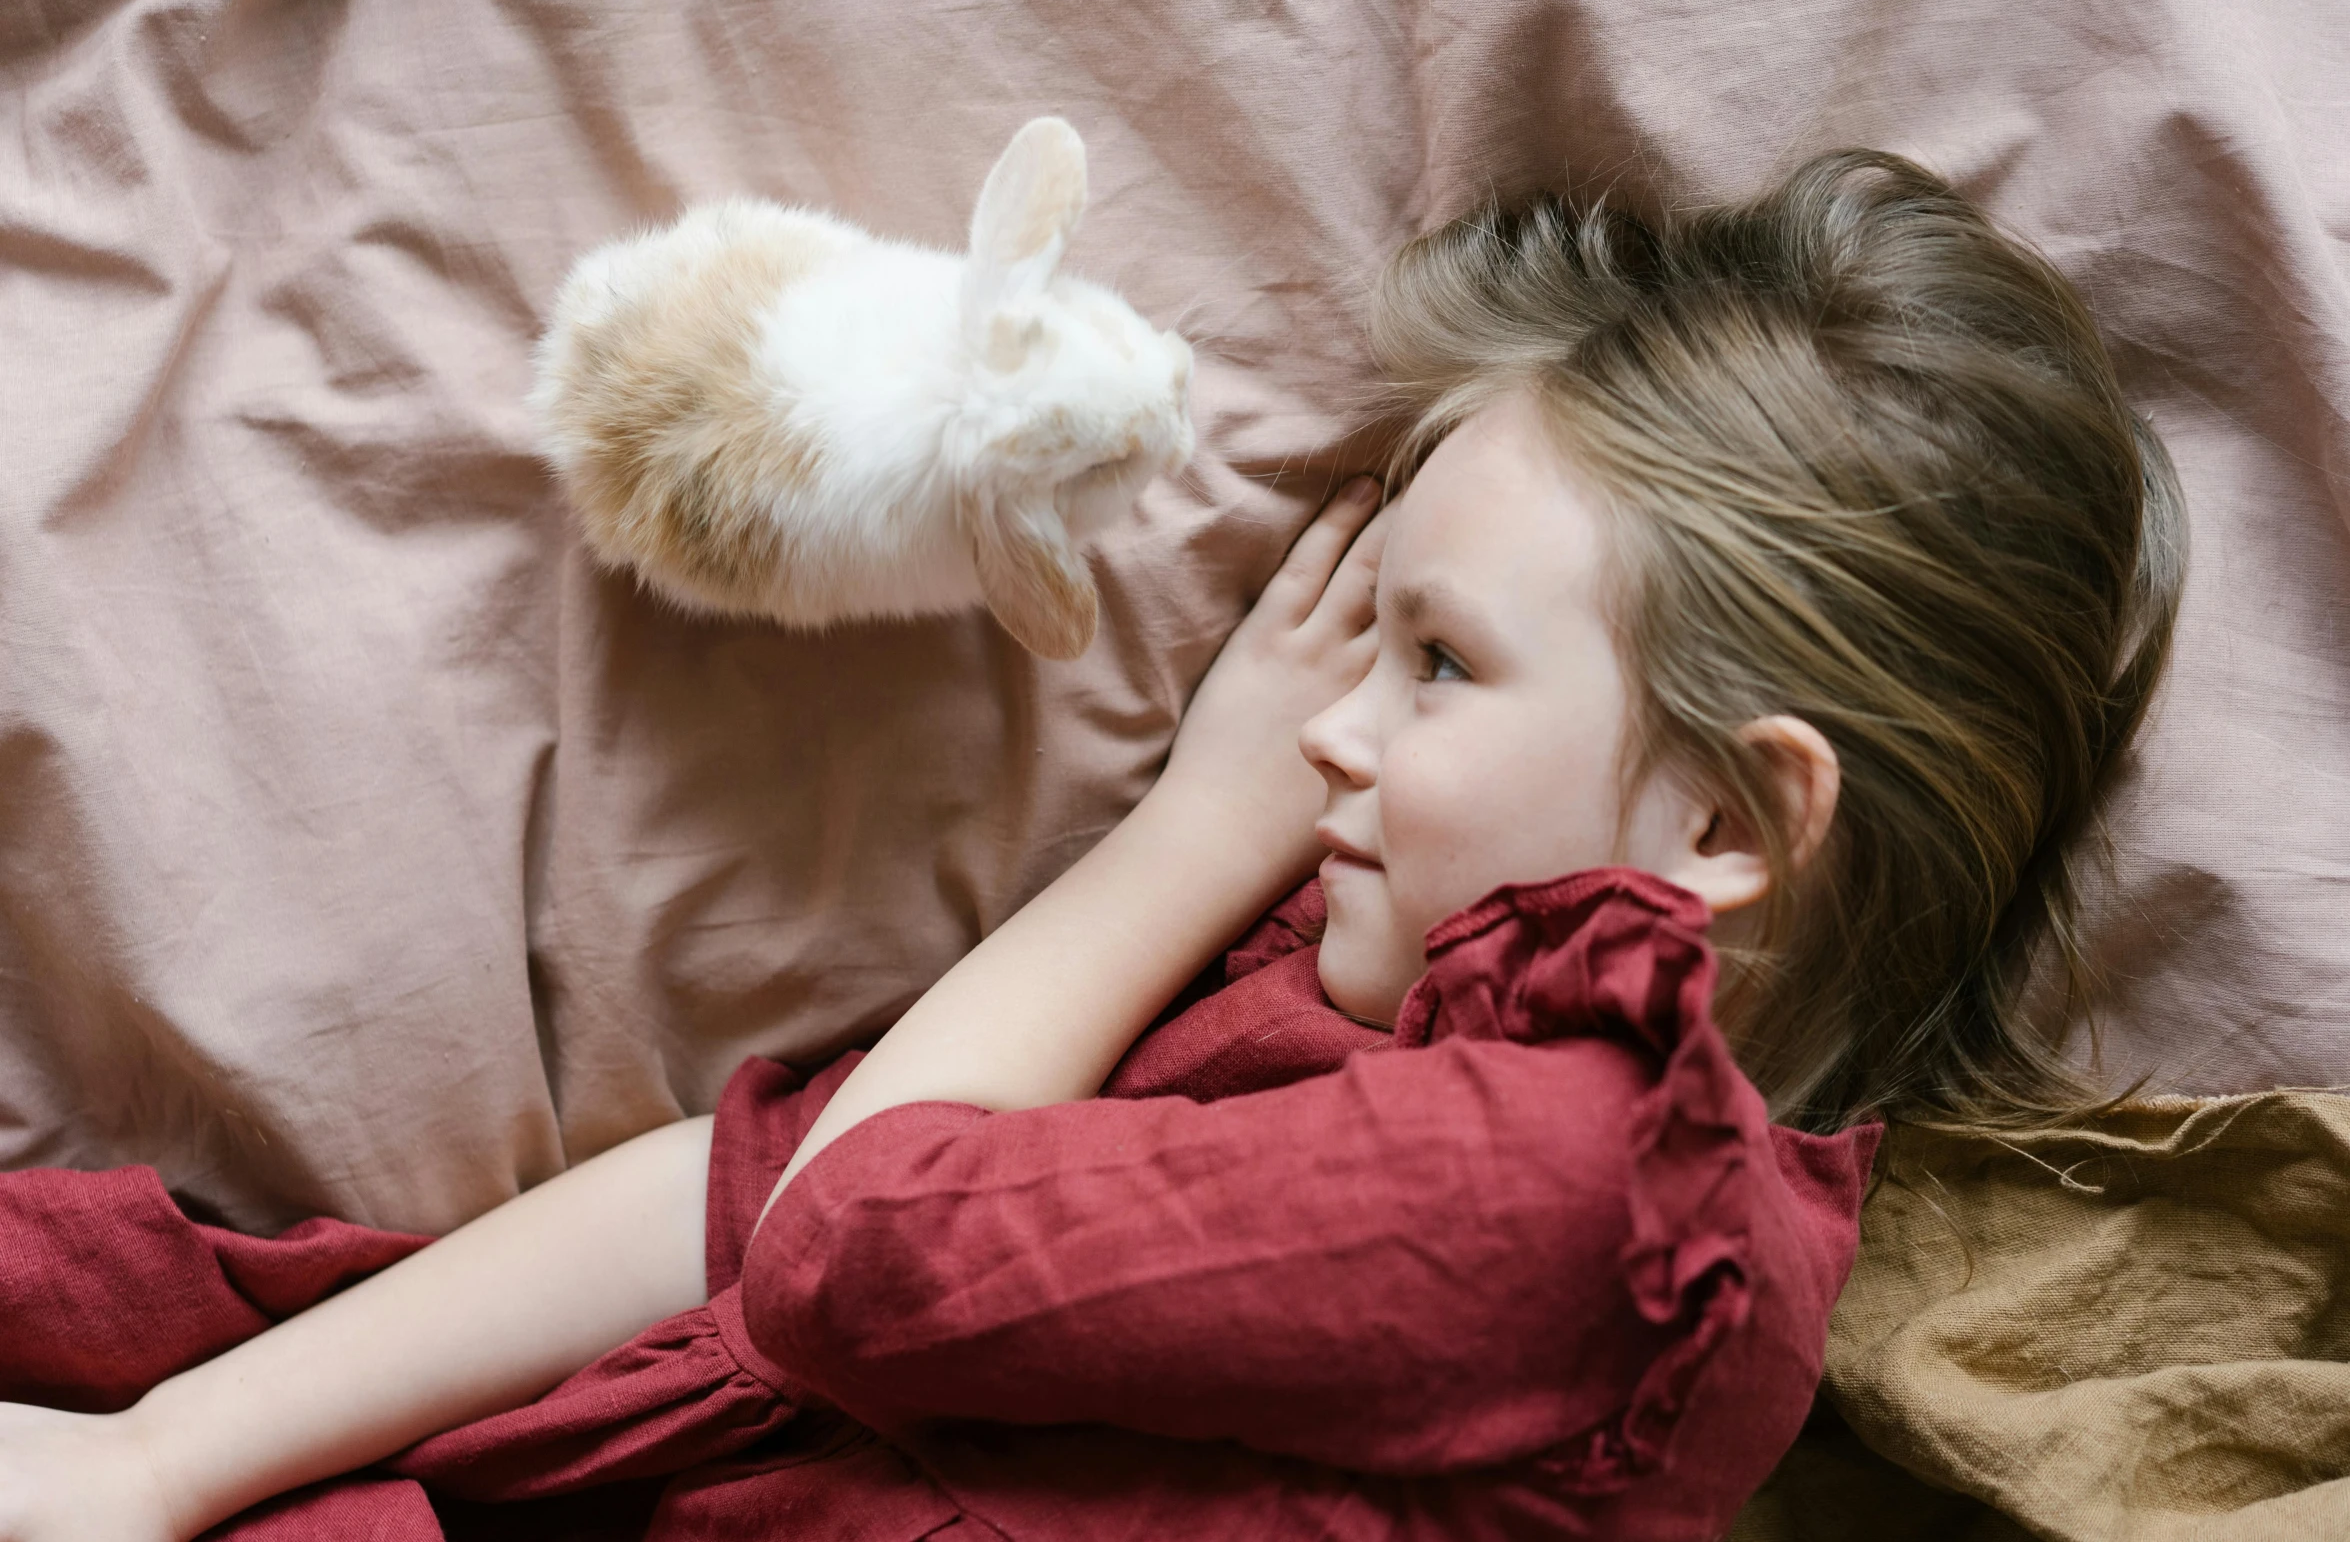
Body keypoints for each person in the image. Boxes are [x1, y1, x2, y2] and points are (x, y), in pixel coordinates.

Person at [0, 148, 2182, 1541]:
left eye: (1434, 661)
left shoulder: (1577, 1210)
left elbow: (846, 1234)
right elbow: (773, 1178)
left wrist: (1189, 833)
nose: (1320, 715)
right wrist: (161, 1457)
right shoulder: (1403, 1039)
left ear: (1728, 816)